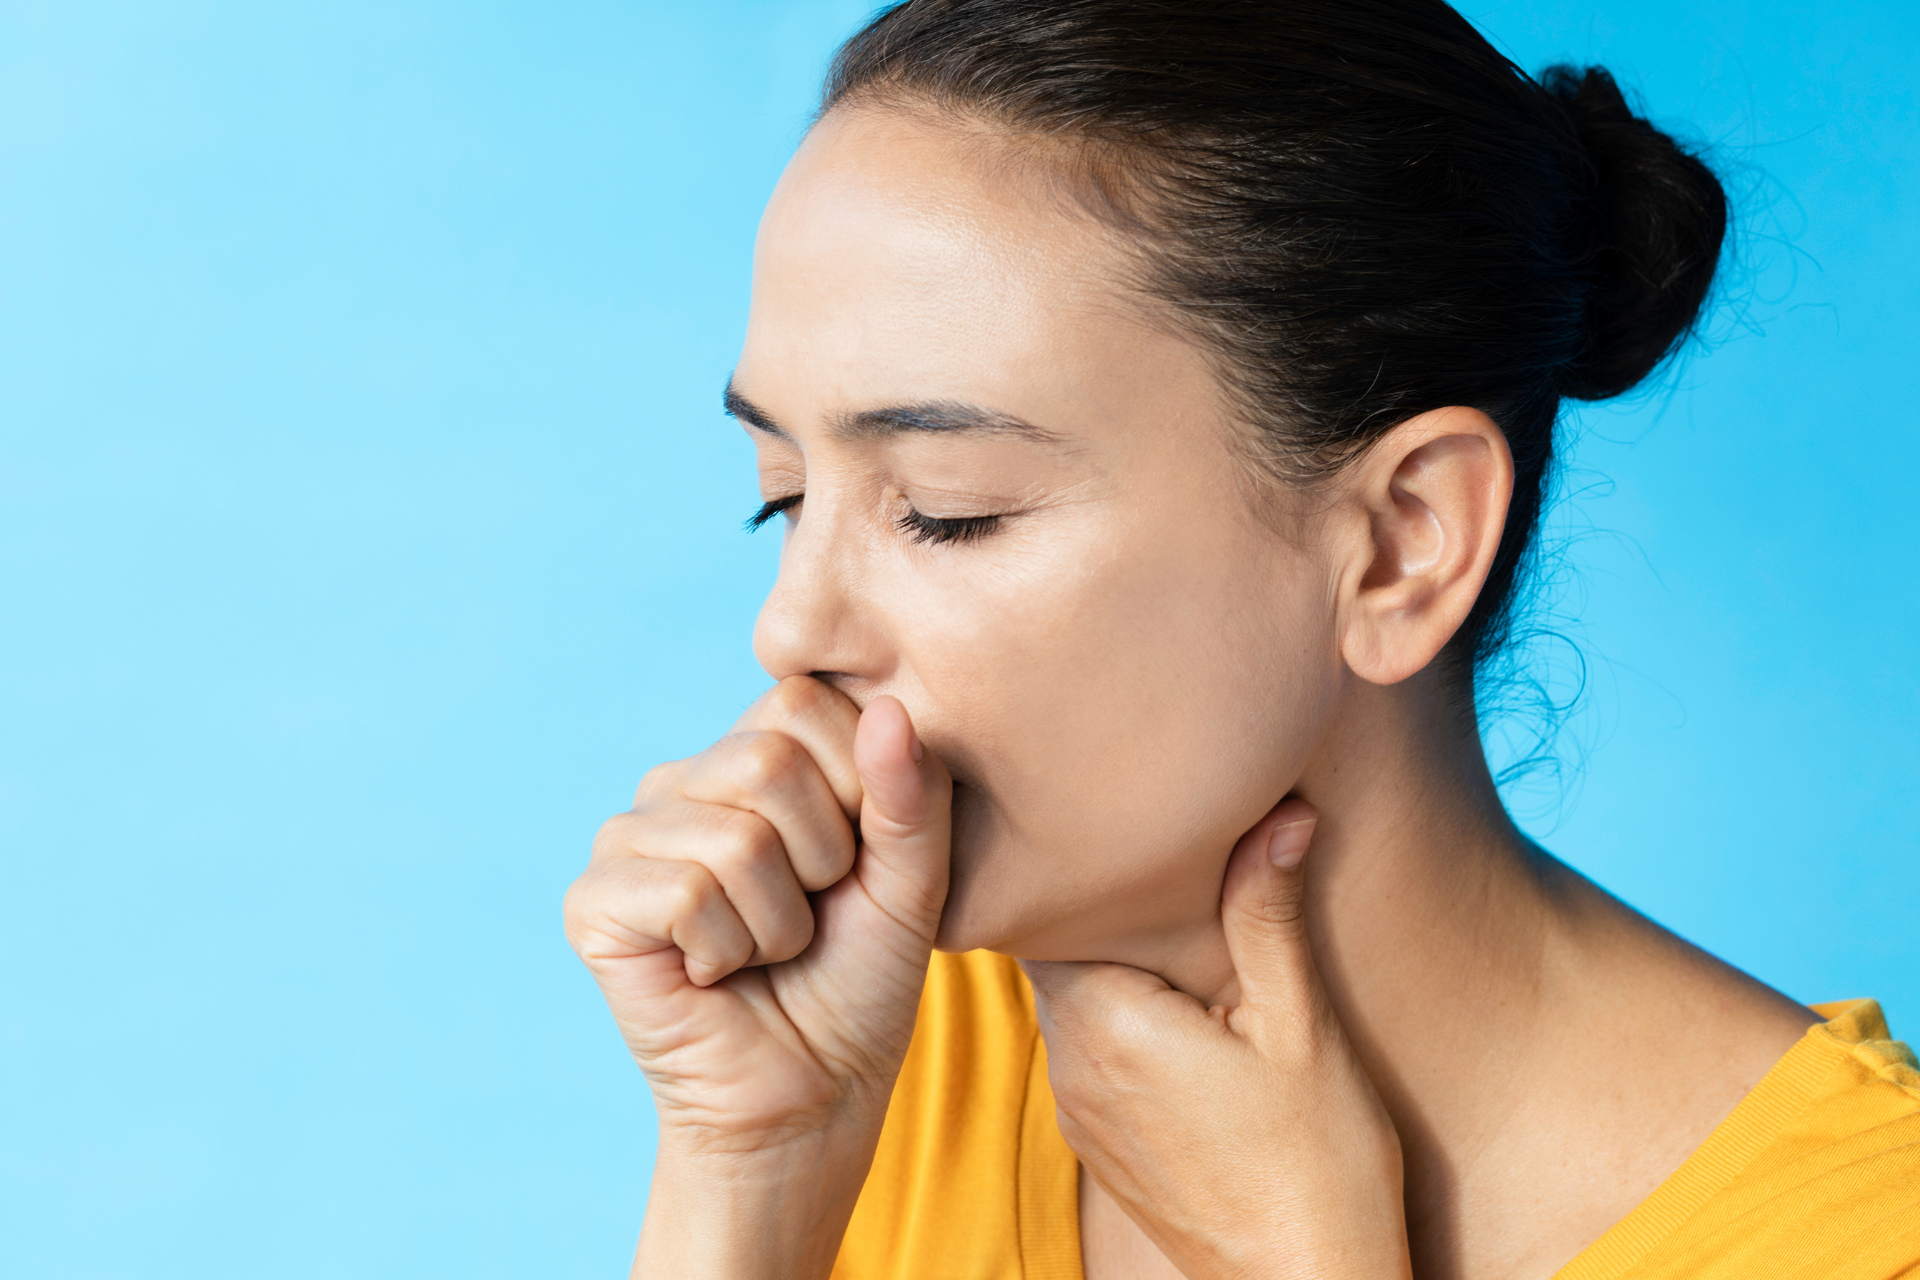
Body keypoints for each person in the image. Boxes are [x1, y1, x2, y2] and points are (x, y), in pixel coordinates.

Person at [562, 1, 1920, 1276]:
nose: (789, 629)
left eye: (944, 511)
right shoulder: (879, 1038)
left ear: (1402, 543)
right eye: (784, 497)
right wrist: (751, 1177)